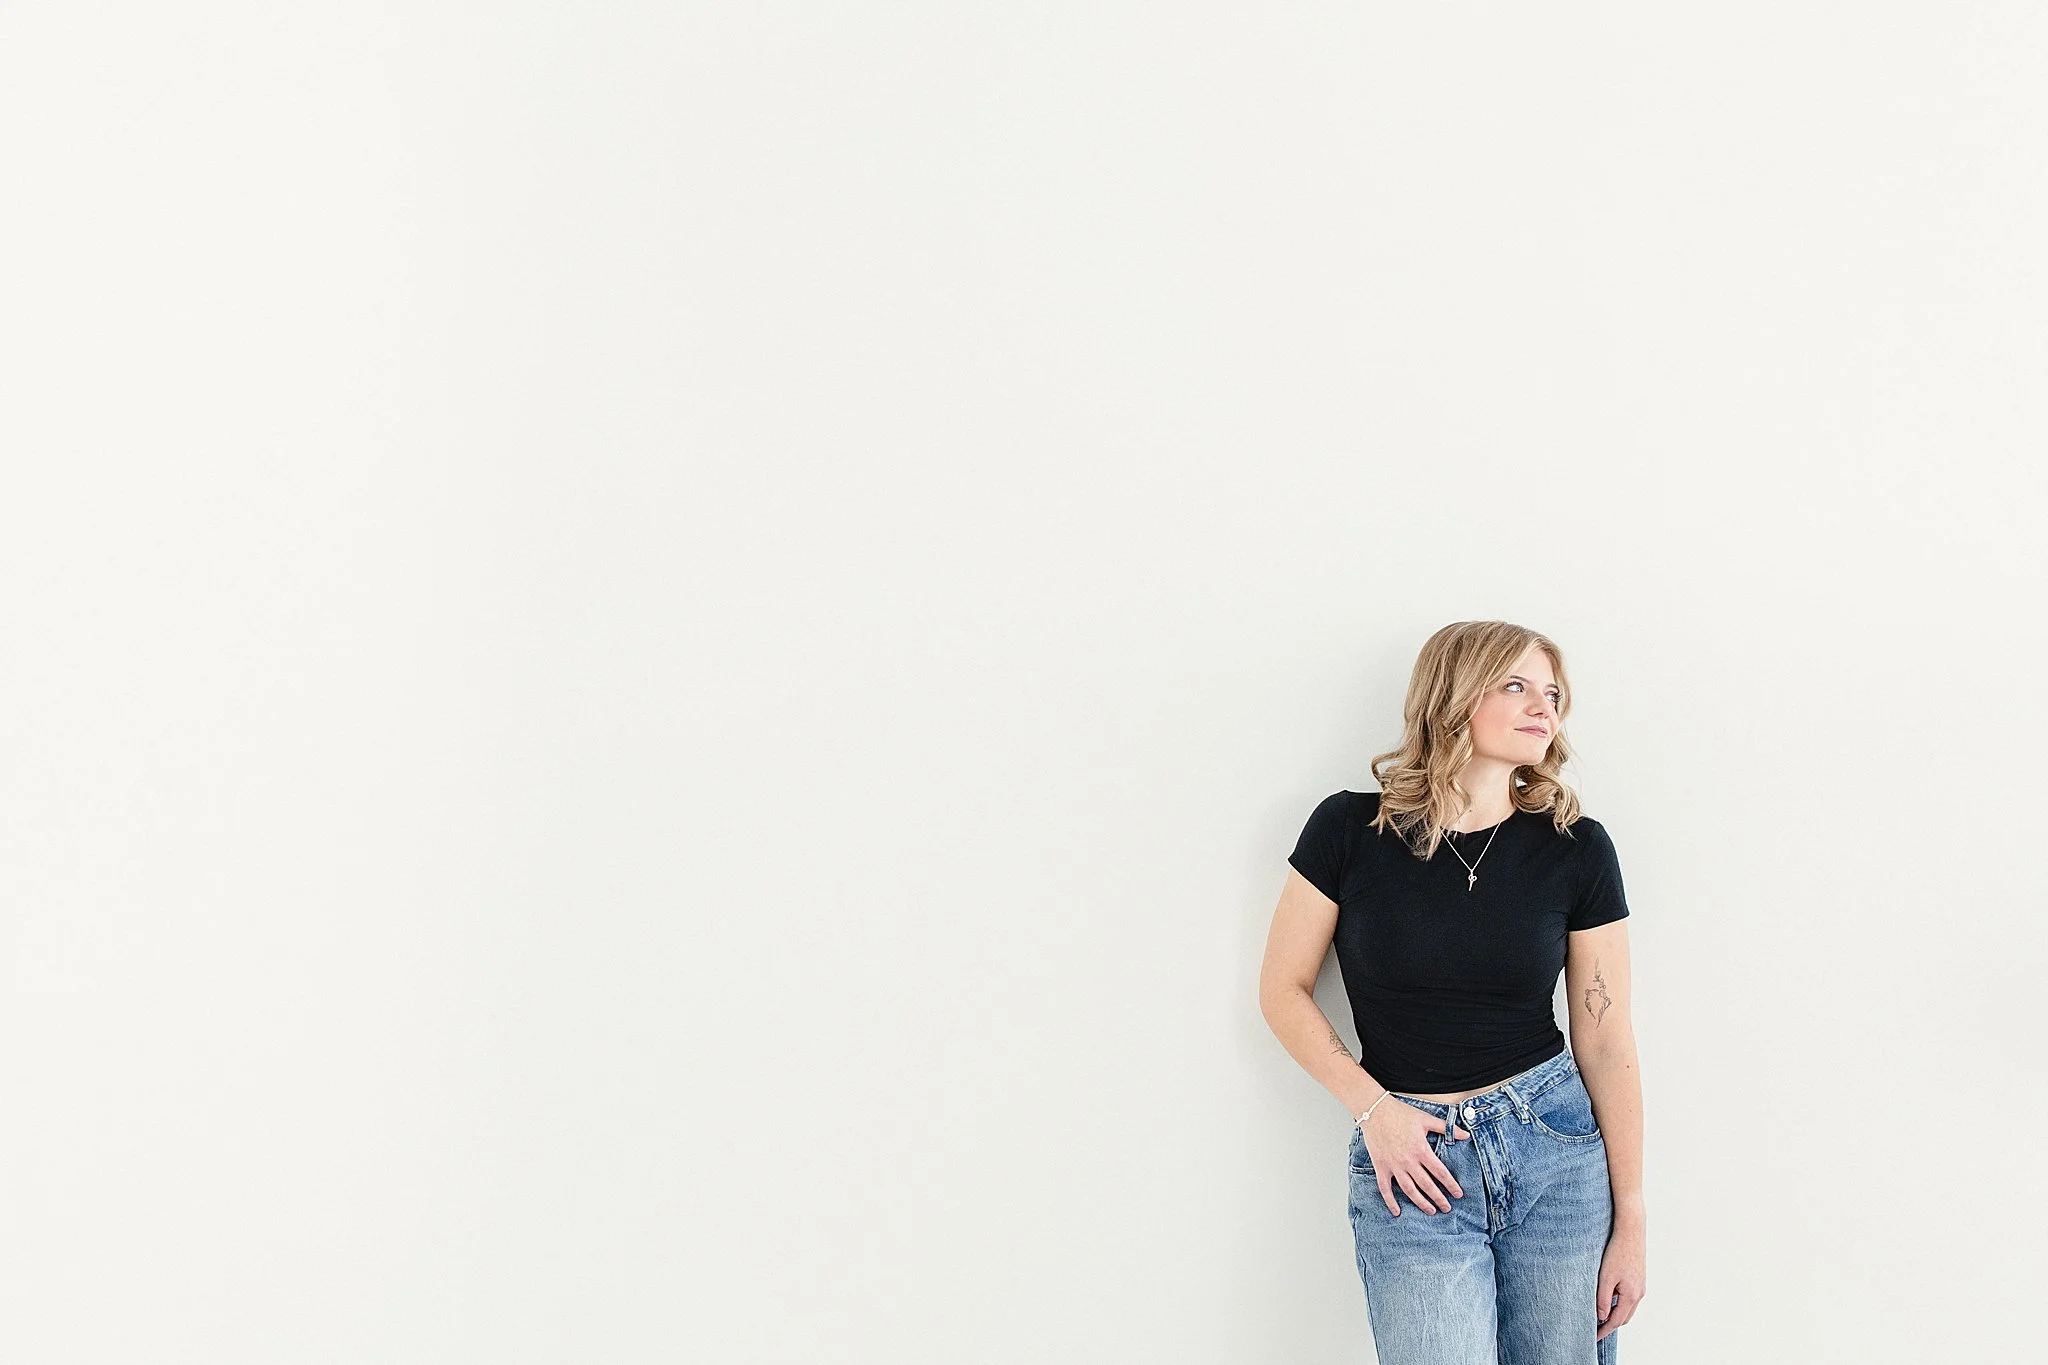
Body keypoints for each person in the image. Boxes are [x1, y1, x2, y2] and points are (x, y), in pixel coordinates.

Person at [1258, 621, 1646, 1363]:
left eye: (1553, 693)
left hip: (1555, 1151)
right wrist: (1377, 1112)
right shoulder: (1347, 828)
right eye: (1517, 685)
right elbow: (1283, 990)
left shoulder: (1578, 847)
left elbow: (1605, 1038)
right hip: (1413, 1159)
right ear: (1455, 693)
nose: (1544, 707)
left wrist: (1632, 1220)